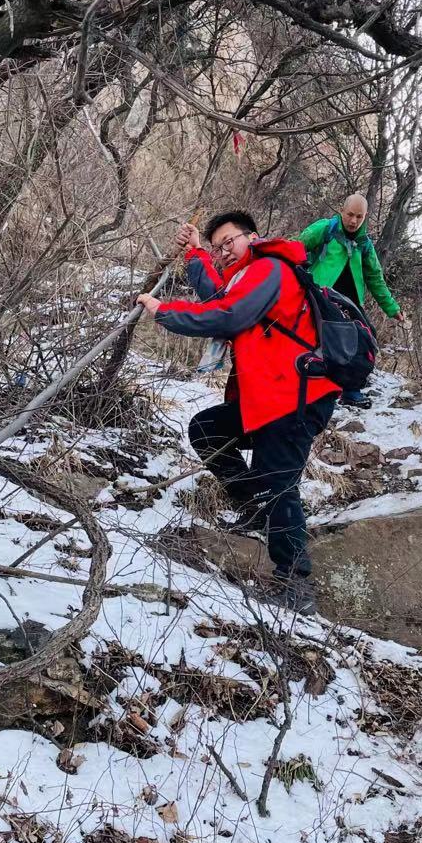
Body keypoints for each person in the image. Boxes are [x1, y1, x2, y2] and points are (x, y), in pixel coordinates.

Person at [136, 211, 339, 615]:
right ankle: (254, 508)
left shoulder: (270, 268)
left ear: (253, 237)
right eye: (218, 246)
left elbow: (230, 315)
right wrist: (195, 254)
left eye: (230, 241)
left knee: (276, 480)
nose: (224, 251)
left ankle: (296, 583)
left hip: (295, 395)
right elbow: (219, 299)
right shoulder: (246, 279)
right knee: (208, 430)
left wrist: (163, 312)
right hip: (268, 398)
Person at [299, 193, 402, 408]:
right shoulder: (326, 229)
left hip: (350, 303)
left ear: (365, 217)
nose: (353, 221)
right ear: (342, 211)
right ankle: (312, 387)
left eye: (359, 217)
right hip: (321, 296)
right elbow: (295, 247)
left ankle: (351, 390)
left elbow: (375, 279)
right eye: (350, 215)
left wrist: (392, 308)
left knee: (365, 340)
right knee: (316, 341)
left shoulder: (364, 244)